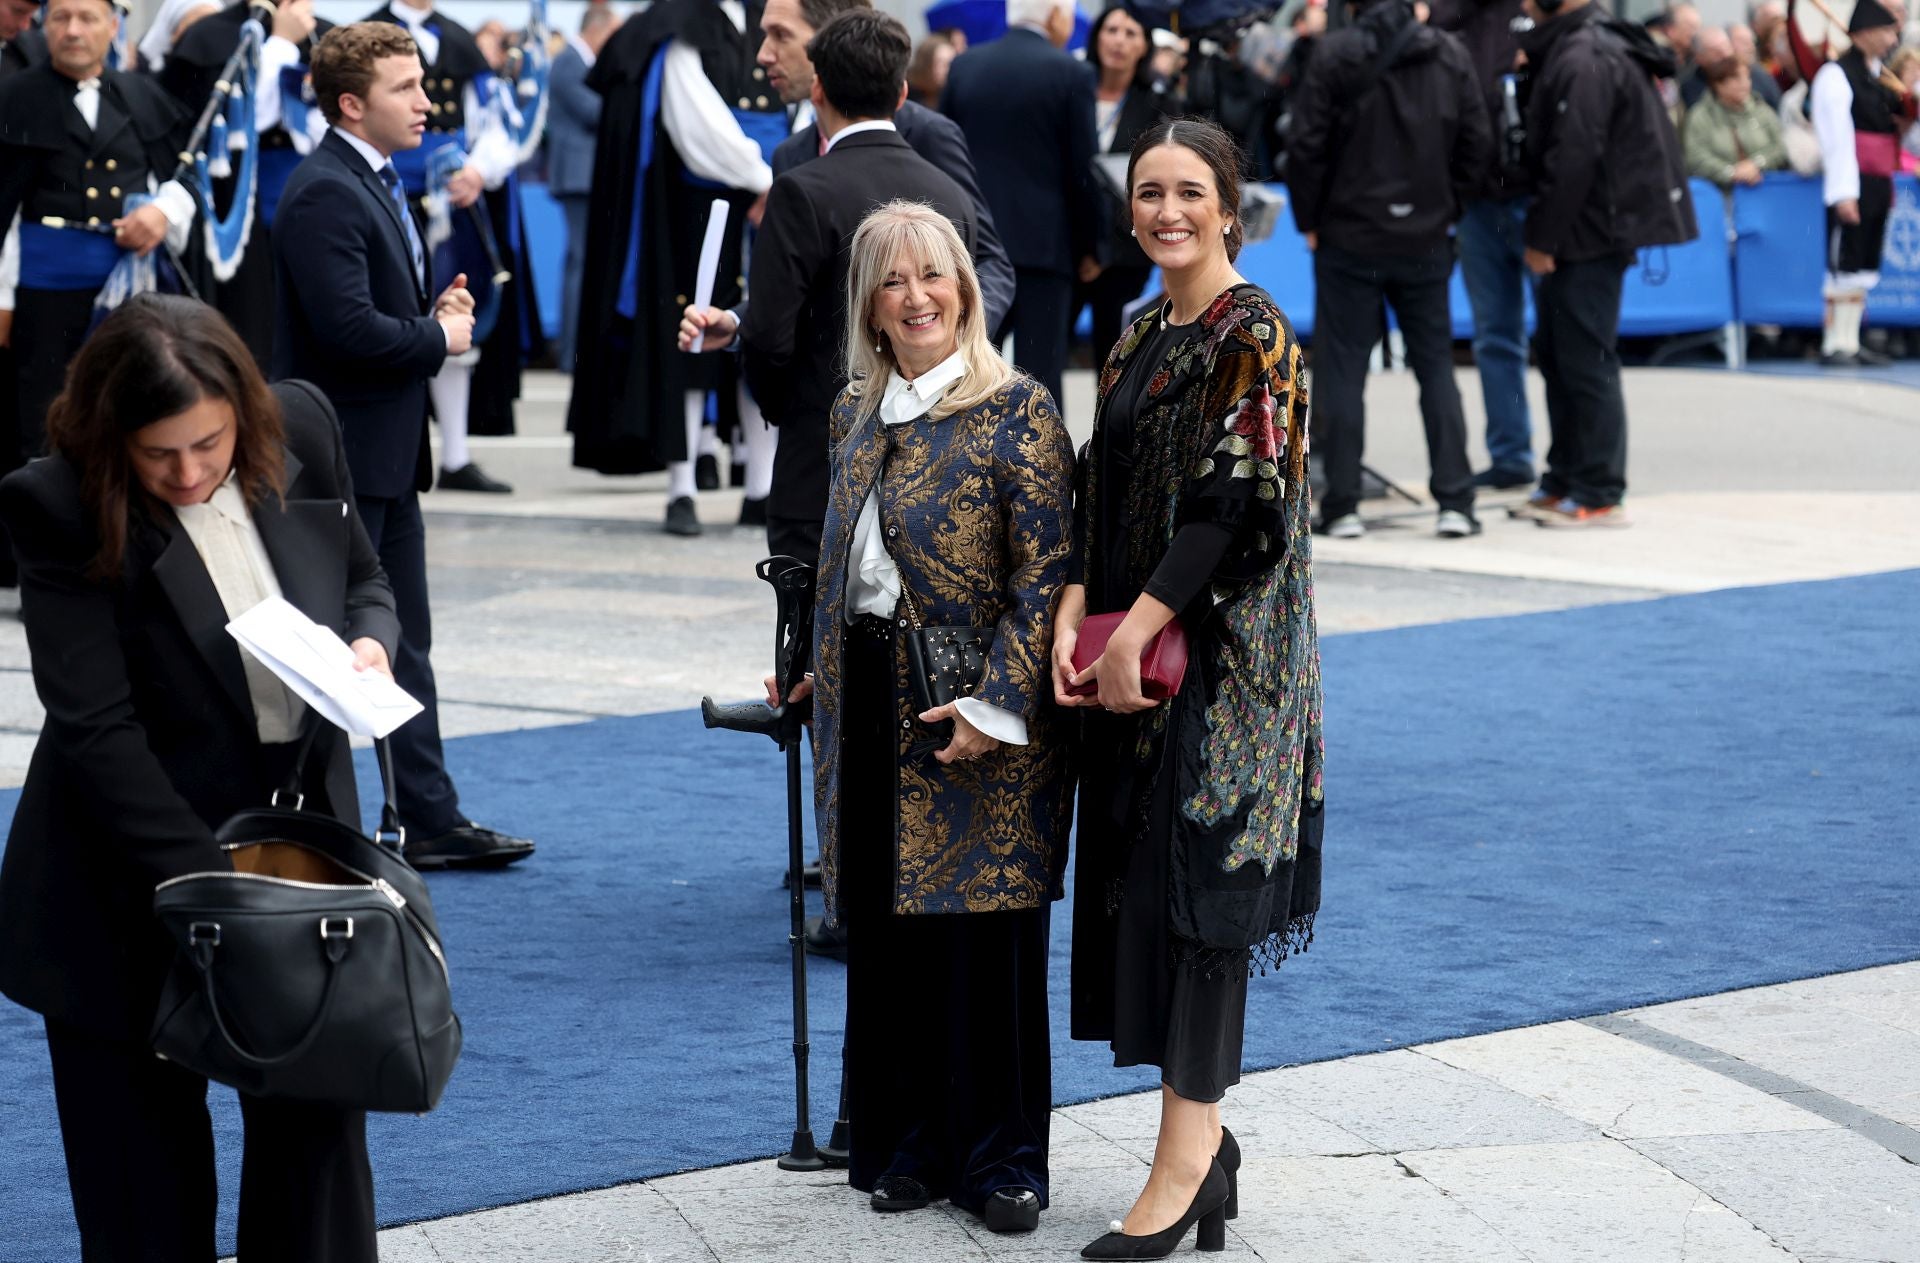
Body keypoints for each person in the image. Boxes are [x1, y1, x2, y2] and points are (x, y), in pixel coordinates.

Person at [0, 292, 398, 1262]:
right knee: (146, 1196)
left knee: (316, 1172)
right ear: (110, 437)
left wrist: (369, 644)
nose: (188, 472)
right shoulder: (55, 498)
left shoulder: (301, 421)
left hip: (300, 871)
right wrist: (217, 893)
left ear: (245, 419)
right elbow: (99, 732)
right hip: (123, 881)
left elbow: (365, 580)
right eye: (158, 454)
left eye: (209, 446)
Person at [1059, 117, 1322, 1261]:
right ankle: (1202, 1153)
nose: (1169, 210)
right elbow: (1094, 482)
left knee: (1201, 905)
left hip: (1224, 670)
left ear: (1230, 206)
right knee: (1149, 898)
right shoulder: (1132, 336)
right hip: (1130, 653)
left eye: (1191, 192)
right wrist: (1076, 608)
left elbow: (1237, 505)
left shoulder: (1251, 329)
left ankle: (1183, 1166)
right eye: (1150, 192)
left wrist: (1141, 632)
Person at [785, 198, 1074, 1233]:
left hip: (978, 706)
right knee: (891, 931)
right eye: (894, 280)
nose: (918, 298)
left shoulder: (1019, 410)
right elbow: (845, 567)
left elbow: (1047, 576)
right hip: (870, 699)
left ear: (966, 288)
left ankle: (1002, 1162)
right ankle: (905, 1143)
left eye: (935, 275)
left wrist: (998, 703)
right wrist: (814, 667)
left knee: (984, 947)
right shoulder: (853, 414)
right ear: (868, 304)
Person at [275, 20, 535, 868]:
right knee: (327, 644)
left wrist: (433, 320)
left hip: (383, 453)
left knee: (404, 638)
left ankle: (427, 815)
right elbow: (346, 329)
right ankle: (313, 818)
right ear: (352, 103)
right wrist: (440, 341)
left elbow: (373, 315)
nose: (427, 101)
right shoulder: (324, 190)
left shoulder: (371, 178)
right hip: (342, 457)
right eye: (405, 89)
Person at [678, 0, 1015, 541]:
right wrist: (739, 321)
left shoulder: (930, 145)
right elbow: (795, 293)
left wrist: (947, 359)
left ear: (819, 74)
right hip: (863, 449)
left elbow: (986, 266)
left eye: (780, 36)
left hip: (865, 448)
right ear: (900, 90)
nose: (765, 53)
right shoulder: (795, 156)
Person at [567, 0, 786, 537]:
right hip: (702, 206)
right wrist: (764, 181)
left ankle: (761, 489)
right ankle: (682, 485)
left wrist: (784, 180)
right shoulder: (681, 21)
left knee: (769, 334)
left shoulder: (769, 15)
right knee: (693, 338)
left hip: (776, 194)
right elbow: (697, 120)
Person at [1286, 0, 1490, 539]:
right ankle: (1456, 500)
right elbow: (1477, 143)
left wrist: (1312, 217)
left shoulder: (1334, 53)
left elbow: (1305, 144)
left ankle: (1344, 504)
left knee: (1344, 369)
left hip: (1349, 234)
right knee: (1435, 367)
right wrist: (1448, 209)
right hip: (1424, 235)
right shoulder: (1449, 53)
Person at [1515, 0, 1696, 528]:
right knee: (1558, 353)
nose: (1524, 5)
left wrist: (1544, 238)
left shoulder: (1586, 53)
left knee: (1586, 358)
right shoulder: (1574, 47)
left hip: (1590, 233)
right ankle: (1566, 476)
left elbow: (1574, 155)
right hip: (1583, 228)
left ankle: (1599, 488)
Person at [0, 0, 196, 457]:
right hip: (42, 297)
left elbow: (187, 179)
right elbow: (4, 213)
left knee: (132, 405)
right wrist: (2, 301)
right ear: (43, 28)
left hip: (132, 296)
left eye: (86, 18)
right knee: (44, 417)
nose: (73, 31)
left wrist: (163, 212)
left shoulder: (141, 94)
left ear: (113, 27)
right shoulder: (12, 98)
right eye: (60, 18)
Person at [365, 0, 522, 492]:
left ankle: (454, 453)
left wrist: (479, 170)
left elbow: (497, 122)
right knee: (389, 316)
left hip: (450, 207)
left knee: (453, 310)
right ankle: (393, 447)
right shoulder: (367, 33)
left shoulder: (458, 38)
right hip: (386, 195)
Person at [941, 0, 1102, 414]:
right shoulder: (1071, 71)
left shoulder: (965, 66)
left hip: (971, 245)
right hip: (1044, 250)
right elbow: (1083, 170)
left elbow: (944, 157)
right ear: (1054, 15)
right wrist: (1092, 245)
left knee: (965, 370)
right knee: (1041, 378)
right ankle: (1040, 476)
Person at [161, 0, 332, 374]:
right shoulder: (207, 36)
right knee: (252, 324)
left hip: (318, 199)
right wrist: (282, 44)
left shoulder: (329, 35)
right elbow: (226, 123)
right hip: (234, 203)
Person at [1432, 0, 1537, 491]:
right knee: (1497, 336)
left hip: (1535, 196)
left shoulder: (1540, 12)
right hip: (1480, 202)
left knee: (1560, 339)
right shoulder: (1451, 17)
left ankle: (1570, 464)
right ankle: (1513, 454)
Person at [1810, 0, 1904, 366]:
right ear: (1864, 32)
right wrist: (1844, 191)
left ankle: (1851, 339)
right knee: (1844, 260)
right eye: (1886, 31)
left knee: (1864, 262)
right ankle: (1835, 342)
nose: (1892, 38)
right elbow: (1838, 139)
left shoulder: (1878, 75)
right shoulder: (1835, 75)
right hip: (1853, 178)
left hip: (1878, 178)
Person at [1079, 4, 1169, 365]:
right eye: (1112, 30)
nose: (1119, 41)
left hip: (1124, 251)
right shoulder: (1071, 90)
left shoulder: (1158, 104)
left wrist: (1106, 251)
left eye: (1130, 33)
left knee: (1113, 359)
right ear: (1097, 36)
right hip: (1070, 248)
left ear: (1144, 45)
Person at [547, 2, 620, 374]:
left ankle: (578, 349)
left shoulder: (575, 61)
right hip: (578, 175)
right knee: (579, 261)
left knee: (583, 261)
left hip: (584, 174)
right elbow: (596, 112)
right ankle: (572, 352)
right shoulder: (569, 62)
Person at [1685, 53, 1788, 188]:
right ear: (1718, 84)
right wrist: (1731, 172)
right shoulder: (1700, 116)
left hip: (1765, 189)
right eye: (1736, 78)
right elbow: (1696, 157)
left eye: (1747, 77)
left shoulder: (1762, 110)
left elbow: (1781, 147)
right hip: (1720, 194)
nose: (1745, 83)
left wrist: (1756, 164)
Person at [905, 31, 954, 105]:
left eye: (950, 63)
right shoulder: (908, 101)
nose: (948, 69)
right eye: (941, 63)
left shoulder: (954, 99)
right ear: (924, 66)